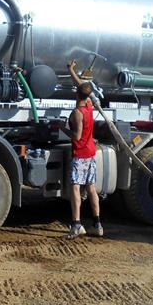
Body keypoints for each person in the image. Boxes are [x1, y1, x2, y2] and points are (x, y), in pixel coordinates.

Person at [64, 60, 103, 238]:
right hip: (91, 152)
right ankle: (97, 224)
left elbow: (77, 136)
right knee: (92, 189)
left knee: (75, 188)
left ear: (76, 95)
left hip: (79, 155)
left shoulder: (77, 113)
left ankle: (77, 224)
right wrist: (71, 70)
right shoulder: (89, 105)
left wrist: (62, 128)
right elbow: (81, 85)